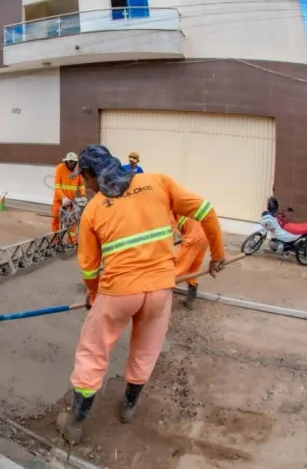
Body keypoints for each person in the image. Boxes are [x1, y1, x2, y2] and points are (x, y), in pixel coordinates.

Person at [57, 144, 226, 444]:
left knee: (93, 353)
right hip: (160, 289)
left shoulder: (94, 209)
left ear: (92, 174)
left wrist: (94, 296)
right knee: (146, 350)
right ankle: (128, 408)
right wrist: (218, 254)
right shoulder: (158, 182)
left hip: (118, 292)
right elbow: (206, 211)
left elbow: (89, 268)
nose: (86, 185)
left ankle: (75, 424)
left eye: (85, 178)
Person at [173, 214, 208, 310]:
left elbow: (171, 230)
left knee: (178, 268)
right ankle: (189, 300)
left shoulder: (170, 209)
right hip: (205, 236)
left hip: (193, 237)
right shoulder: (185, 207)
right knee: (192, 270)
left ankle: (159, 301)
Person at [51, 152, 86, 243]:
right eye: (69, 161)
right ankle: (55, 241)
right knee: (55, 219)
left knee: (72, 221)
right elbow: (57, 185)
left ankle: (72, 241)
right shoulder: (60, 168)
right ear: (66, 161)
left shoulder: (77, 171)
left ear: (75, 162)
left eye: (73, 162)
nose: (71, 164)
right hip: (59, 200)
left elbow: (81, 185)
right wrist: (63, 197)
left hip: (71, 202)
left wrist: (83, 195)